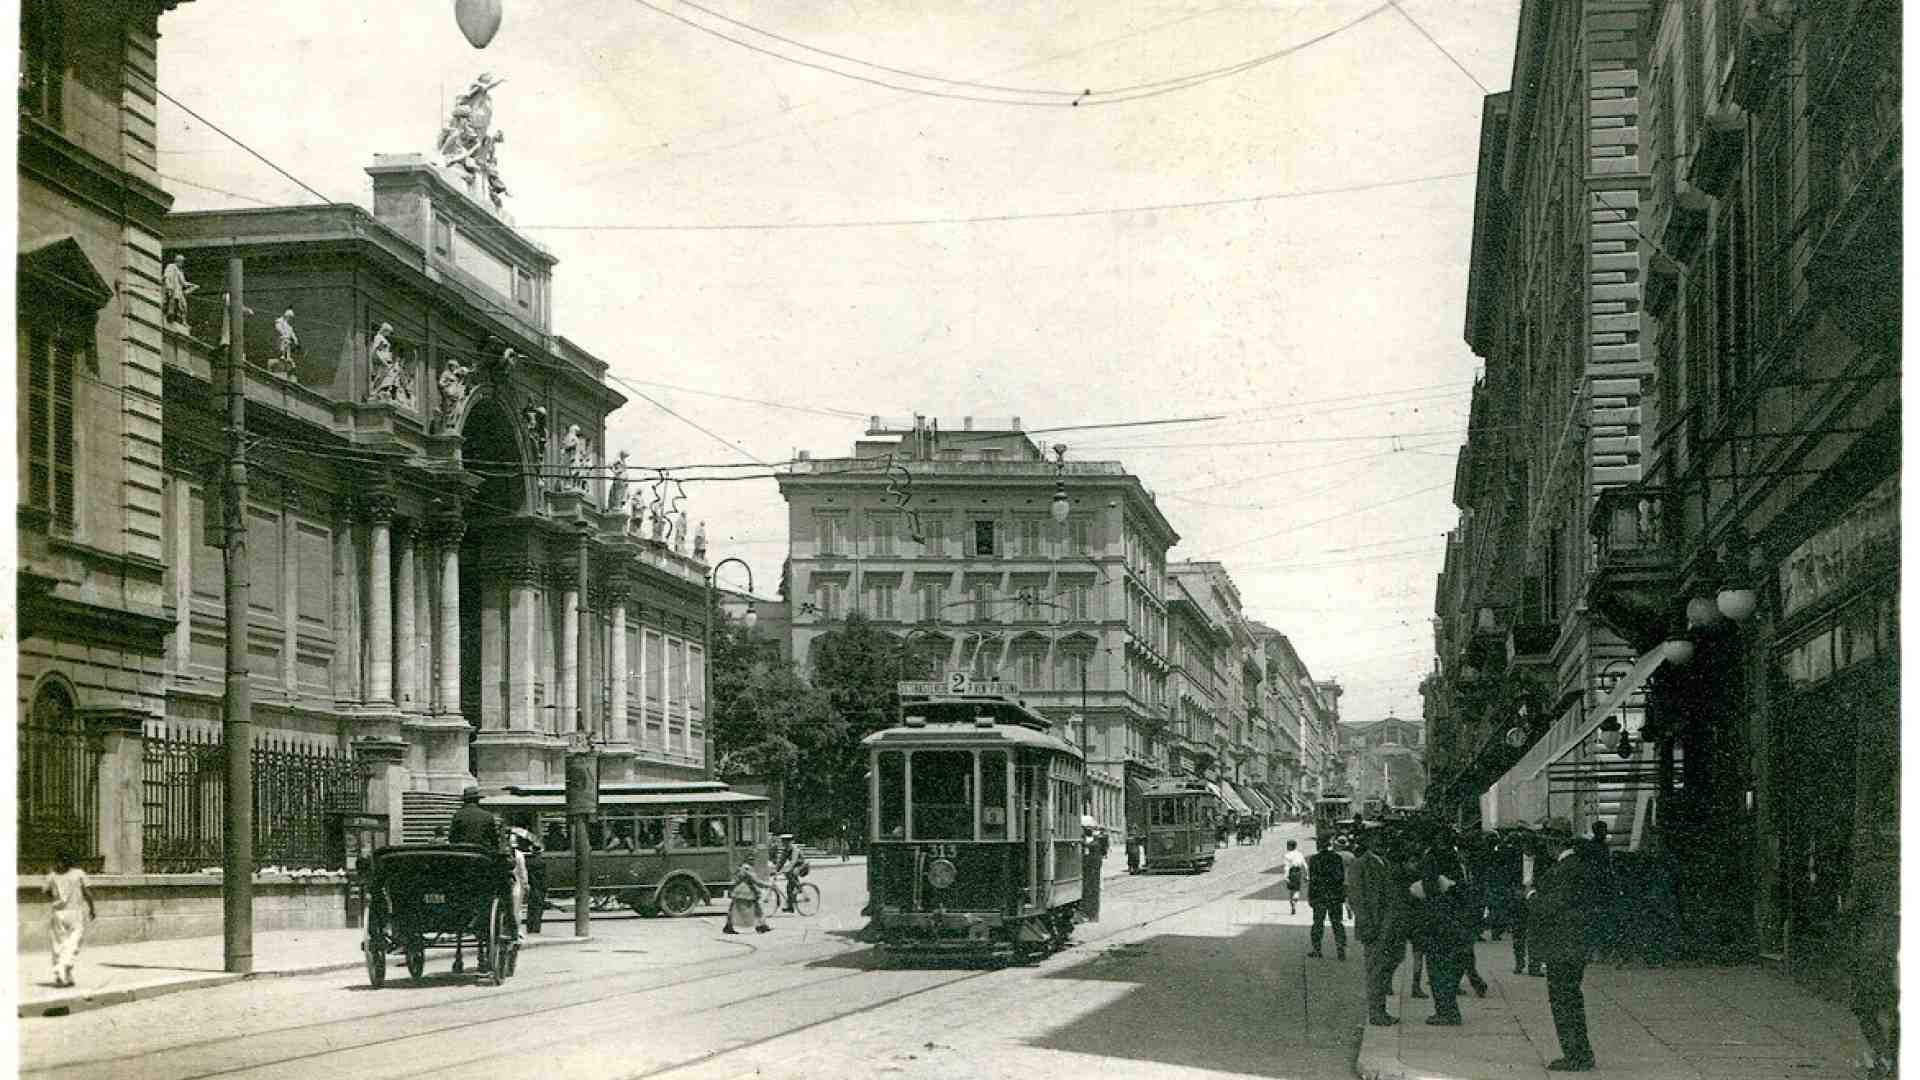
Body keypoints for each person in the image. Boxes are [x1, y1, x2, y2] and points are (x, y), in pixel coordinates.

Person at [1530, 830, 1597, 1071]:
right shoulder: (1578, 866)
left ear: (1553, 844)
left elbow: (1553, 906)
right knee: (1572, 999)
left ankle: (1575, 1055)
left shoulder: (1563, 870)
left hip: (1562, 947)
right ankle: (1582, 1051)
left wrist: (1532, 896)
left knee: (1562, 1002)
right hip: (1574, 945)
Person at [1412, 826, 1482, 1026]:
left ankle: (1446, 1011)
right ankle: (1449, 1009)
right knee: (1449, 966)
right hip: (1454, 919)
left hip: (1437, 922)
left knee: (1437, 968)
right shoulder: (1450, 858)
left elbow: (1431, 890)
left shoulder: (1431, 859)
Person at [1353, 829, 1411, 1027]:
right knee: (1376, 971)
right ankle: (1376, 1013)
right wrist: (1368, 926)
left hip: (1392, 927)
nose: (1380, 843)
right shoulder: (1360, 864)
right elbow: (1357, 899)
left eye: (1383, 841)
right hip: (1375, 928)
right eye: (1376, 841)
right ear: (1368, 842)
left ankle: (1381, 1009)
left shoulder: (1386, 863)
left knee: (1389, 965)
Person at [45, 849, 96, 987]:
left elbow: (47, 893)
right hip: (74, 913)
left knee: (58, 943)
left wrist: (58, 899)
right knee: (74, 942)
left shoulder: (51, 876)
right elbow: (87, 893)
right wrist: (92, 908)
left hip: (58, 913)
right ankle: (63, 969)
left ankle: (65, 975)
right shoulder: (79, 874)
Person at [1307, 838, 1348, 960]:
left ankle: (1317, 950)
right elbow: (1340, 878)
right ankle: (1341, 949)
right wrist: (1341, 895)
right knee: (1337, 923)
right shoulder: (1337, 858)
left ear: (1318, 846)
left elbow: (1313, 880)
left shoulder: (1314, 859)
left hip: (1320, 896)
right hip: (1334, 896)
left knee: (1318, 923)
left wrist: (1311, 897)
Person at [725, 862, 773, 935]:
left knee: (733, 910)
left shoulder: (741, 867)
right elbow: (756, 881)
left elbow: (736, 880)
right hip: (746, 892)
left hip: (739, 892)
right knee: (757, 910)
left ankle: (728, 926)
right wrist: (768, 885)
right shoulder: (747, 868)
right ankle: (761, 926)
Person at [447, 785, 500, 850]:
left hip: (463, 852)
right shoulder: (487, 816)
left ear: (465, 801)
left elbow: (452, 838)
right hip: (481, 852)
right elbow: (493, 839)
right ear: (477, 800)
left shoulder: (458, 815)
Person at [1080, 814, 1106, 922]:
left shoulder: (1097, 840)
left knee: (1093, 891)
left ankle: (1093, 914)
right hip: (1086, 869)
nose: (1087, 830)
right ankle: (1086, 913)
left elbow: (1101, 854)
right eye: (1086, 828)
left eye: (1088, 828)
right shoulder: (1084, 840)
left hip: (1093, 870)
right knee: (1086, 891)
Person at [780, 842, 810, 914]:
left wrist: (786, 869)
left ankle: (799, 888)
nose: (785, 845)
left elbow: (793, 861)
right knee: (789, 887)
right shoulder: (786, 851)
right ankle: (790, 907)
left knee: (791, 873)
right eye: (784, 843)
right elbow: (781, 861)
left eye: (787, 843)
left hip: (802, 866)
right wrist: (776, 870)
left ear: (790, 843)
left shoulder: (795, 850)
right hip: (794, 867)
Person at [1282, 839, 1308, 915]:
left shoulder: (1287, 855)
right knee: (1297, 889)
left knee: (1291, 890)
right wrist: (1306, 875)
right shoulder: (1300, 854)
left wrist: (1286, 876)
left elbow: (1287, 867)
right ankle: (1295, 898)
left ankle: (1293, 903)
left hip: (1291, 872)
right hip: (1298, 872)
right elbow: (1305, 865)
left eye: (1287, 845)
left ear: (1290, 846)